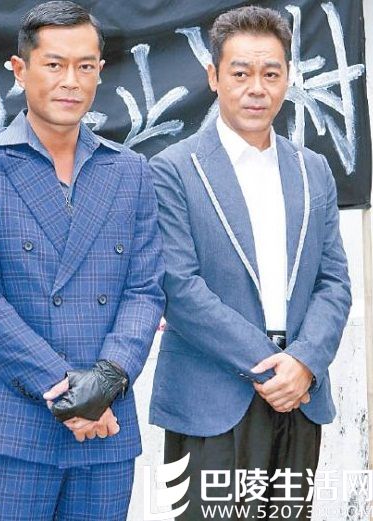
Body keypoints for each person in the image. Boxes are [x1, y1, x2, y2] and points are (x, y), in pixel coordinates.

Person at [0, 2, 164, 520]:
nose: (71, 80)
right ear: (19, 68)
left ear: (100, 71)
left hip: (107, 428)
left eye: (85, 66)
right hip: (11, 425)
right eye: (54, 64)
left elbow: (145, 290)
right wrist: (71, 393)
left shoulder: (130, 171)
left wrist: (107, 379)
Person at [149, 6, 351, 520]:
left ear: (288, 77)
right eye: (240, 73)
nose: (256, 89)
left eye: (270, 73)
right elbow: (180, 288)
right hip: (211, 401)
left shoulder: (313, 169)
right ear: (214, 76)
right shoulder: (173, 169)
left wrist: (304, 363)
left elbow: (334, 282)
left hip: (300, 398)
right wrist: (272, 365)